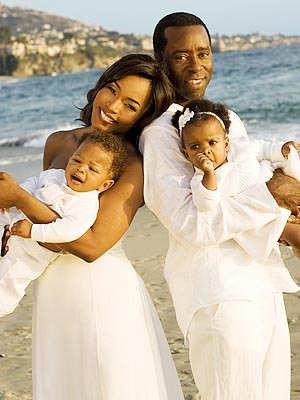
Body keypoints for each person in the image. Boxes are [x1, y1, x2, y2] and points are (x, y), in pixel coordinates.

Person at [0, 53, 186, 400]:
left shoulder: (131, 165)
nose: (112, 107)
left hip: (101, 289)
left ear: (141, 116)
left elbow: (91, 246)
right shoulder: (58, 141)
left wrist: (21, 201)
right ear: (99, 85)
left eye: (129, 105)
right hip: (52, 287)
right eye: (111, 90)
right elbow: (50, 206)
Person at [139, 12, 299, 400]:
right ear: (160, 61)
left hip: (264, 284)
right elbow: (192, 226)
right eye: (181, 56)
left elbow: (243, 189)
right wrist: (275, 195)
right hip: (218, 295)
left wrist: (284, 215)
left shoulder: (227, 120)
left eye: (204, 53)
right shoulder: (160, 134)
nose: (196, 65)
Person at [0, 130, 128, 317]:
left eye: (92, 169)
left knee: (9, 277)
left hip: (32, 251)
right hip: (11, 227)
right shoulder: (55, 175)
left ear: (105, 185)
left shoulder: (85, 204)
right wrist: (17, 196)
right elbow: (35, 181)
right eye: (77, 160)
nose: (81, 169)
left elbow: (67, 230)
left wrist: (33, 231)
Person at [173, 98, 300, 257]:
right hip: (260, 217)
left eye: (212, 142)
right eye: (195, 147)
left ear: (226, 144)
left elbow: (262, 148)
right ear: (187, 154)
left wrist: (280, 150)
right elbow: (206, 203)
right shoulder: (201, 180)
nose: (205, 150)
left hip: (270, 182)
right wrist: (209, 173)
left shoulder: (240, 147)